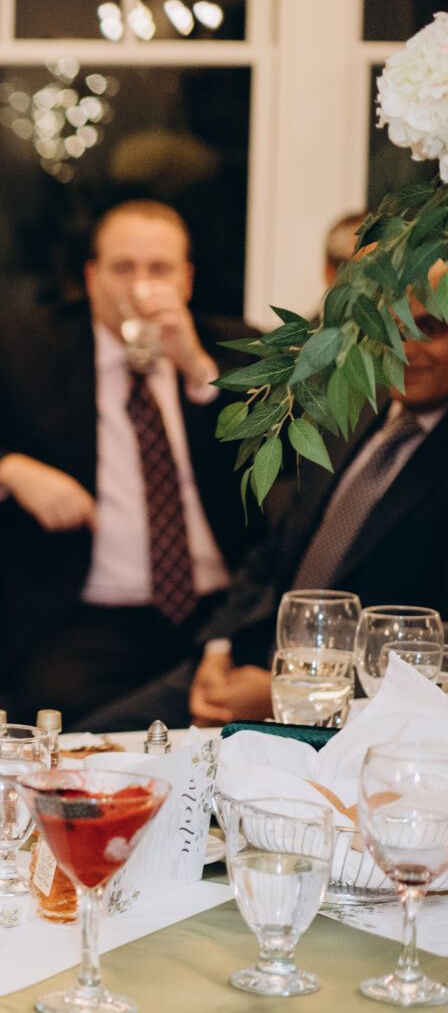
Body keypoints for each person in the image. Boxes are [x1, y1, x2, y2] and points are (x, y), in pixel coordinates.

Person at [0, 200, 257, 723]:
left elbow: (293, 461)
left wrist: (198, 370)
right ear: (91, 278)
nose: (140, 287)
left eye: (159, 269)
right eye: (123, 268)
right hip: (87, 615)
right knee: (57, 714)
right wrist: (15, 471)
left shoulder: (236, 350)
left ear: (187, 280)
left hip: (222, 614)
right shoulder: (29, 348)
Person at [83, 263, 448, 730]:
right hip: (243, 664)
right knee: (76, 748)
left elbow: (431, 658)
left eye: (430, 328)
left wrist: (289, 694)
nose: (405, 348)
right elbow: (272, 555)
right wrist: (217, 649)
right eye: (390, 328)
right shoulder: (351, 413)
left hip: (356, 715)